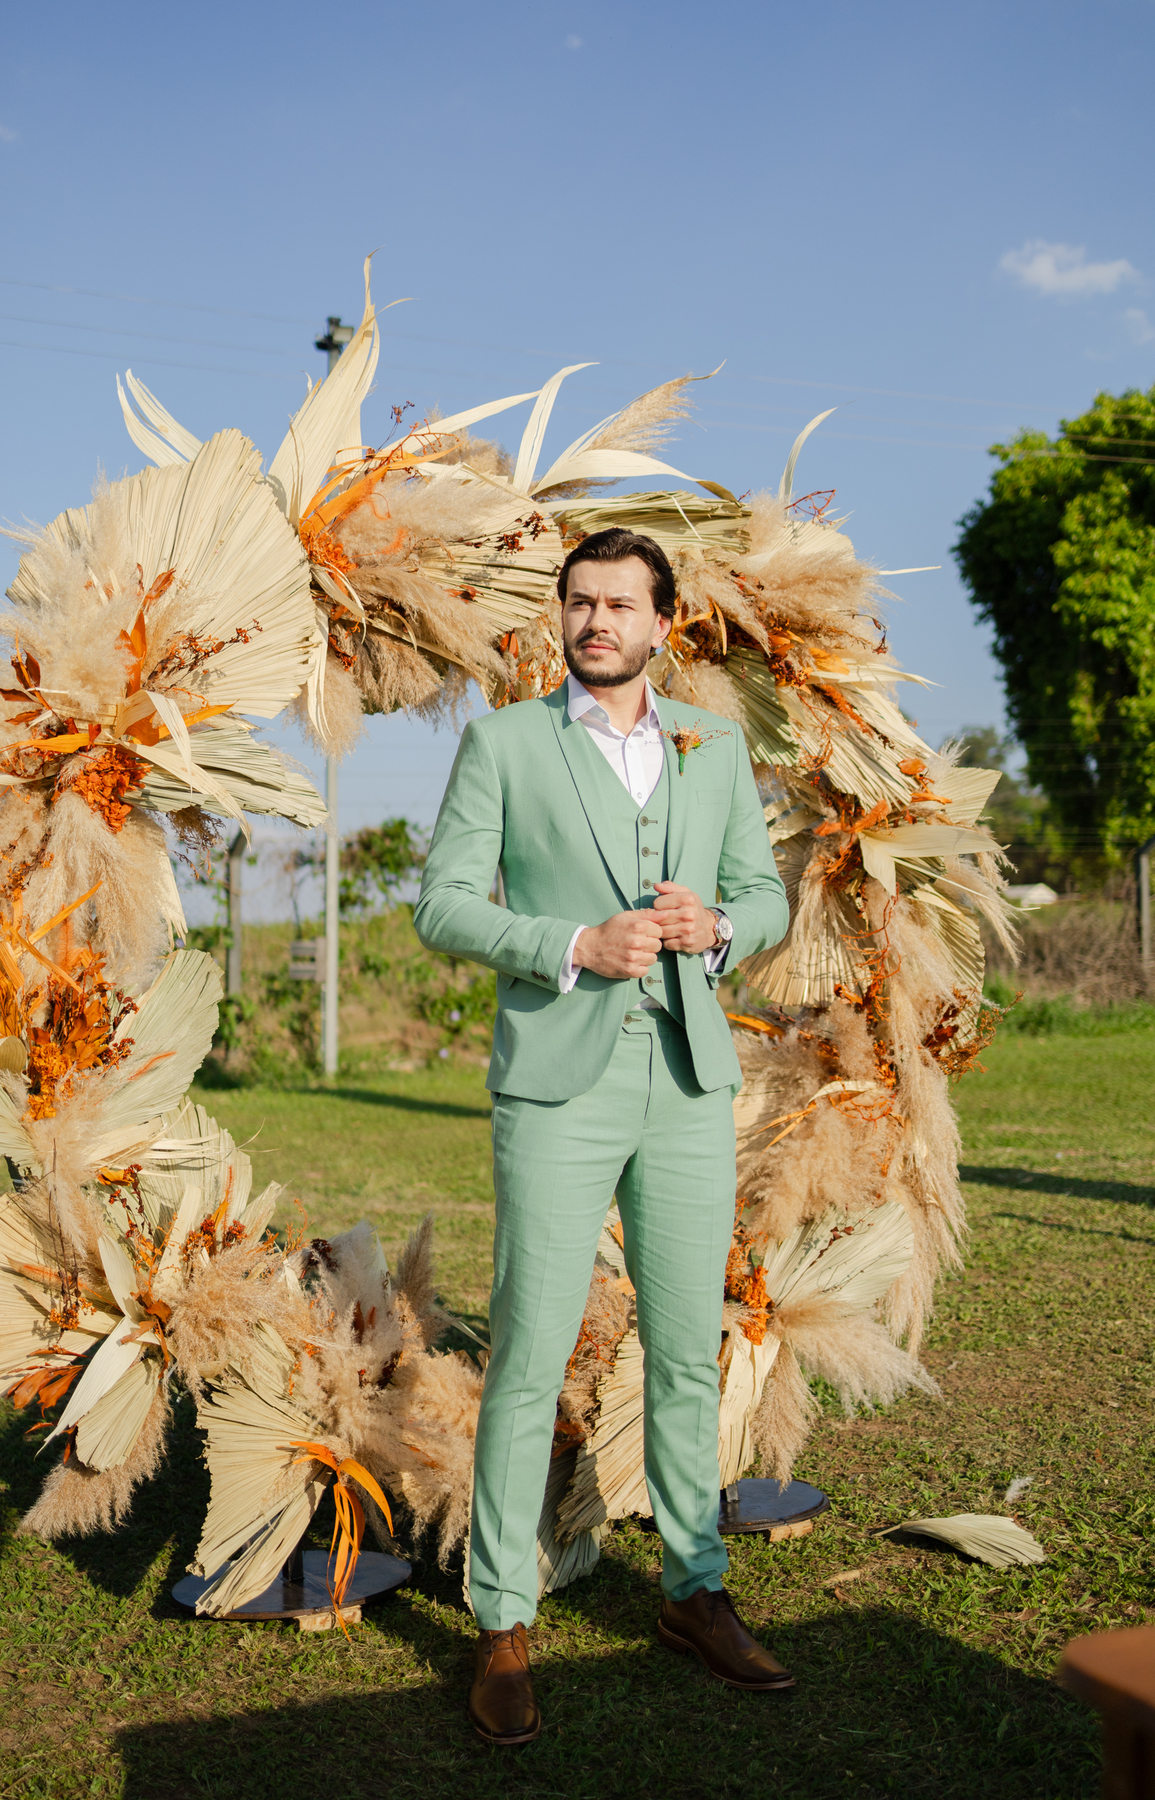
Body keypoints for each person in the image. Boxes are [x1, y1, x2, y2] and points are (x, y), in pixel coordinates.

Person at [414, 526, 792, 1747]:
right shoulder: (506, 744)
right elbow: (442, 905)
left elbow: (767, 896)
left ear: (661, 622)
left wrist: (717, 927)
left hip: (686, 1079)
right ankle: (502, 1622)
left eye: (620, 605)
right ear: (562, 615)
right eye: (580, 602)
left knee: (685, 1349)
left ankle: (693, 1590)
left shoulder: (714, 744)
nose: (596, 622)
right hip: (557, 1086)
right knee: (529, 1352)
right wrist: (572, 944)